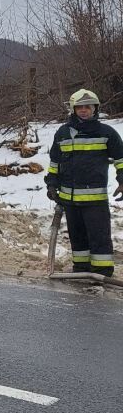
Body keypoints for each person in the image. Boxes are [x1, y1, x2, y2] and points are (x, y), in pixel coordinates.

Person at [47, 88, 123, 277]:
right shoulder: (63, 133)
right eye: (80, 107)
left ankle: (102, 271)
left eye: (88, 107)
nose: (84, 110)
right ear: (73, 109)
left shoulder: (106, 133)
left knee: (98, 236)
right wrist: (51, 184)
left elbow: (121, 159)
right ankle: (80, 269)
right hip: (69, 198)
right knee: (77, 237)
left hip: (95, 200)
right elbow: (55, 162)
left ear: (94, 109)